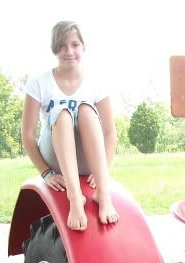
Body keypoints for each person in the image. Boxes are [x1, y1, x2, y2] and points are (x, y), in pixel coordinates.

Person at [21, 21, 118, 231]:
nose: (69, 51)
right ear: (54, 49)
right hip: (56, 156)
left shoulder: (96, 83)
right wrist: (45, 173)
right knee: (62, 114)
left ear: (83, 47)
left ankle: (104, 193)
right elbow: (27, 135)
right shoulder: (39, 82)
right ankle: (75, 198)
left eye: (75, 44)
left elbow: (110, 132)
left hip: (86, 157)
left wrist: (103, 170)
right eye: (62, 46)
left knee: (85, 110)